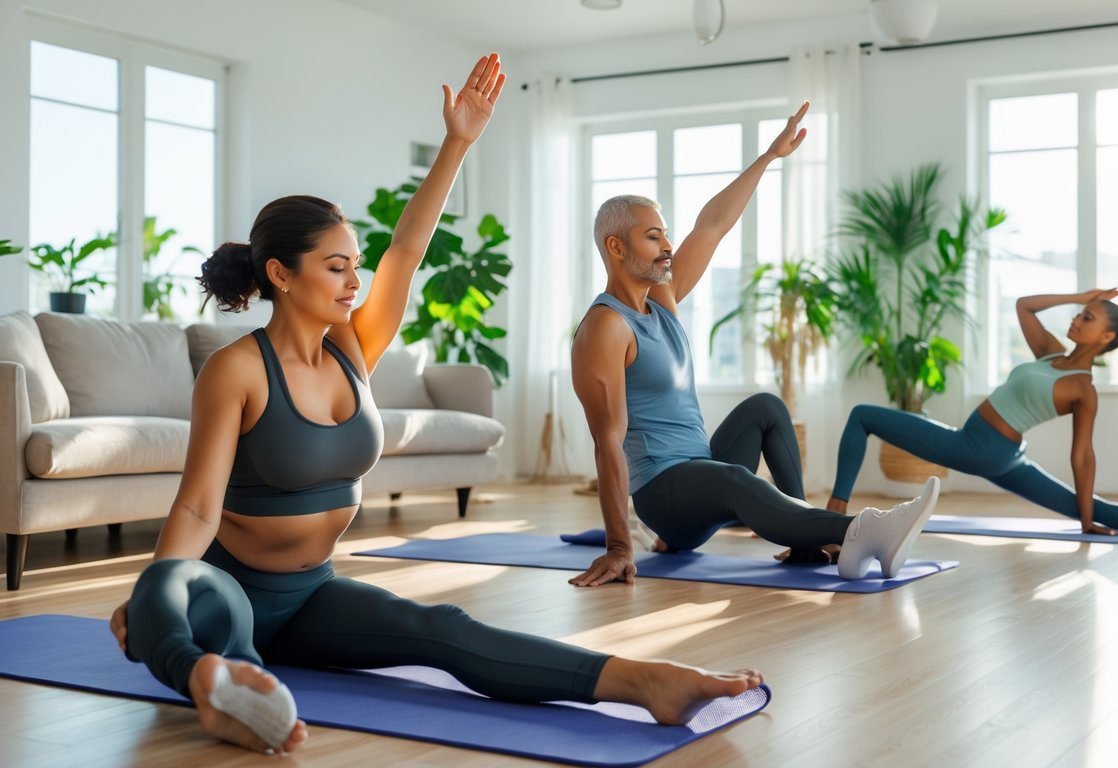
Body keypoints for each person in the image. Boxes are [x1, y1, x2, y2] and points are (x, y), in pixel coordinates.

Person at [107, 55, 763, 756]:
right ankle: (212, 678)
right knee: (165, 591)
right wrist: (160, 588)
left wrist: (458, 143)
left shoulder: (351, 350)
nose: (355, 281)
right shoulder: (236, 370)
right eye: (336, 268)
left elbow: (407, 250)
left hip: (314, 597)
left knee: (445, 630)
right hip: (228, 588)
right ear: (280, 274)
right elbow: (197, 510)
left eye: (354, 265)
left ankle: (644, 683)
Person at [570, 102, 939, 586]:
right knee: (735, 480)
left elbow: (713, 226)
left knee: (766, 407)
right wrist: (620, 545)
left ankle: (806, 540)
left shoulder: (662, 301)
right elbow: (608, 443)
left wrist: (767, 158)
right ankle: (861, 531)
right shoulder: (605, 327)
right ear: (616, 247)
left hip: (699, 474)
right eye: (653, 236)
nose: (667, 247)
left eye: (667, 236)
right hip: (666, 496)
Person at [827, 289, 1118, 538]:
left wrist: (1085, 522)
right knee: (1087, 506)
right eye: (1079, 312)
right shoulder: (1052, 352)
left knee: (863, 415)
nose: (1076, 317)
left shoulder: (1083, 388)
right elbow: (1024, 306)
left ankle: (834, 517)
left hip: (977, 447)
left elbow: (1083, 455)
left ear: (1106, 337)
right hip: (1004, 455)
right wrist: (1080, 295)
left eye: (1087, 317)